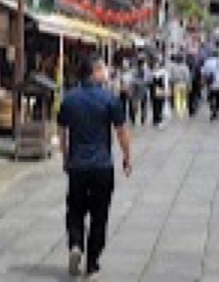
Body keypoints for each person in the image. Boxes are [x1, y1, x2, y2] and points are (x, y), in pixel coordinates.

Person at [58, 56, 133, 280]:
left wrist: (65, 157)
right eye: (104, 69)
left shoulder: (69, 99)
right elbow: (121, 131)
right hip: (102, 165)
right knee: (100, 216)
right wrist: (127, 156)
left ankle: (76, 244)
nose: (107, 73)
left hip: (78, 165)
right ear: (95, 72)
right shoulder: (109, 99)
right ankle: (92, 265)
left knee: (75, 209)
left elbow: (62, 132)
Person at [202, 50, 219, 120]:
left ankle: (212, 107)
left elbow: (203, 72)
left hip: (210, 83)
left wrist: (204, 80)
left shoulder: (207, 62)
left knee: (211, 96)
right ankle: (216, 110)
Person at [150, 60, 169, 130]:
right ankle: (158, 119)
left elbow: (150, 82)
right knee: (159, 104)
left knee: (156, 105)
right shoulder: (164, 73)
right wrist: (166, 91)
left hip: (155, 90)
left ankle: (156, 119)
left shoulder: (153, 73)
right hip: (159, 90)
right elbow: (166, 83)